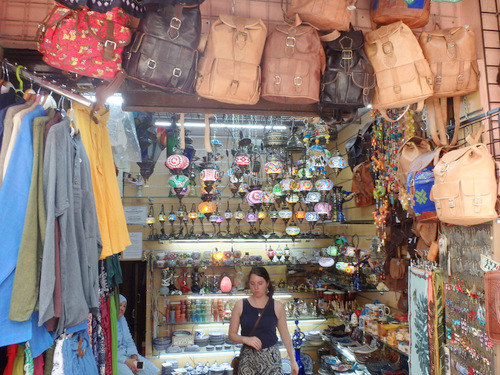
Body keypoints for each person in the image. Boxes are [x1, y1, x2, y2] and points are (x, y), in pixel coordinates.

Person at [228, 266, 299, 375]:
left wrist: (293, 361)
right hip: (248, 360)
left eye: (260, 283)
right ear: (249, 284)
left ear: (267, 283)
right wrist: (246, 339)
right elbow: (231, 335)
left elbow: (285, 336)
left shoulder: (277, 306)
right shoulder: (240, 305)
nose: (256, 287)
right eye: (252, 283)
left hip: (272, 360)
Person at [117, 295, 160, 375]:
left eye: (124, 306)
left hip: (129, 356)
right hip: (117, 360)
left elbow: (129, 340)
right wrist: (126, 361)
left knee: (149, 369)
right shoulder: (107, 322)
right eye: (119, 305)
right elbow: (107, 350)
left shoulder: (122, 319)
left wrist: (134, 356)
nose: (122, 309)